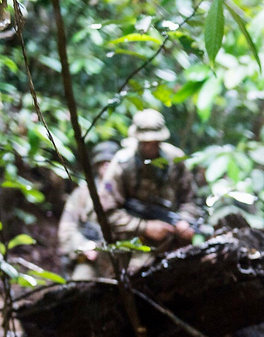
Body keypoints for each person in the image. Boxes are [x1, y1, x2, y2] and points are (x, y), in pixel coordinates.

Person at [97, 109, 202, 271]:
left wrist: (184, 221)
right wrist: (144, 227)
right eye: (145, 142)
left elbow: (191, 199)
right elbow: (106, 211)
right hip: (129, 244)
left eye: (154, 141)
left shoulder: (175, 160)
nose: (150, 146)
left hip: (169, 241)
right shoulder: (122, 164)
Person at [57, 141, 121, 280]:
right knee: (80, 285)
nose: (106, 166)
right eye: (102, 162)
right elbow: (66, 228)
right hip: (90, 260)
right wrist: (84, 246)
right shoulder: (82, 194)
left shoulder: (126, 193)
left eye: (110, 162)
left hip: (120, 258)